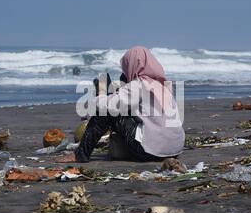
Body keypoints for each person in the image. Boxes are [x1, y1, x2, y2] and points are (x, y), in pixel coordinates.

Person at [55, 46, 185, 163]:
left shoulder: (139, 85)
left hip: (151, 152)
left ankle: (80, 154)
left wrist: (101, 93)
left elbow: (108, 107)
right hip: (174, 150)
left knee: (105, 112)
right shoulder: (163, 86)